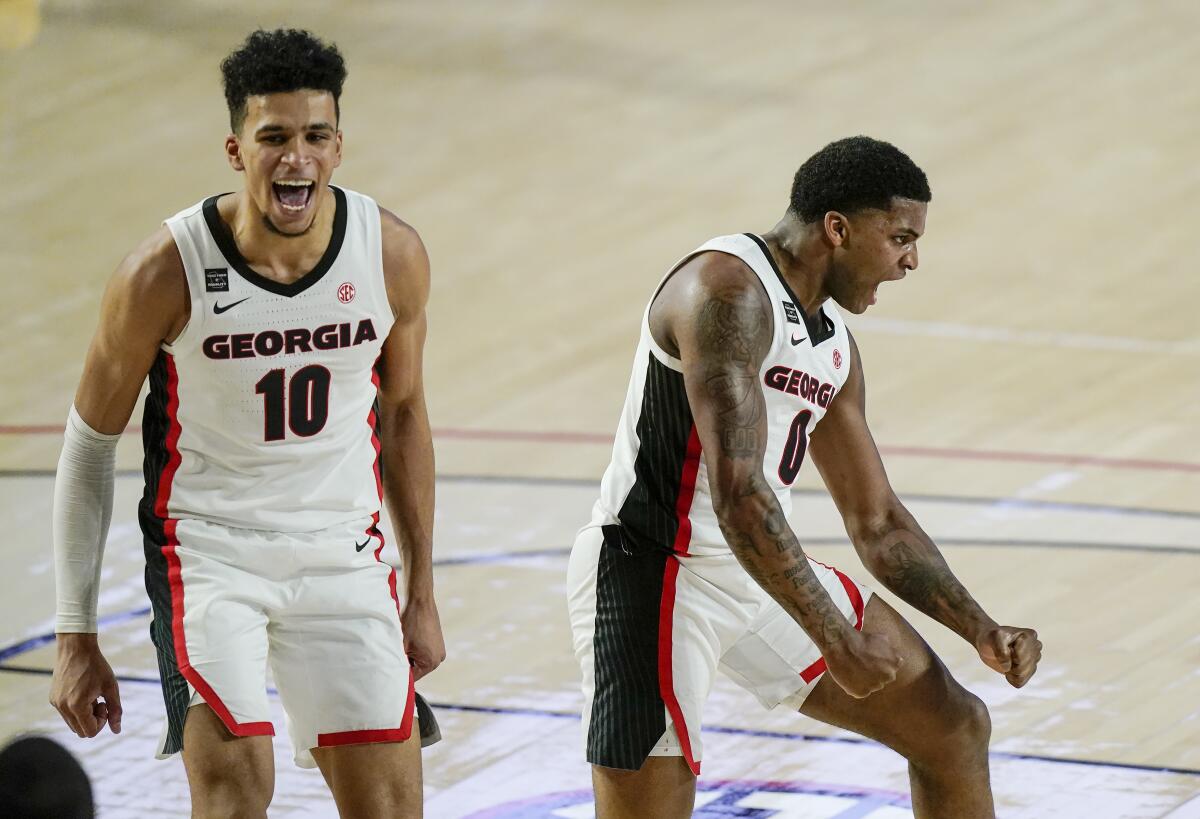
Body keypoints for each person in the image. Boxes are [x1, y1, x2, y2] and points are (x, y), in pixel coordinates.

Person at [567, 136, 1043, 818]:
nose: (912, 260)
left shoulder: (834, 348)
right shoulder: (727, 290)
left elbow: (877, 521)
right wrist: (835, 638)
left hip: (752, 569)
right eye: (901, 237)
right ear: (838, 228)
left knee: (953, 727)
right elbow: (738, 497)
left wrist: (980, 627)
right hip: (653, 571)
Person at [48, 28, 443, 818]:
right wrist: (74, 633)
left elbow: (401, 414)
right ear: (236, 149)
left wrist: (421, 587)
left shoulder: (390, 253)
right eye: (274, 139)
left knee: (391, 805)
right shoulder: (163, 271)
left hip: (341, 549)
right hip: (209, 552)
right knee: (233, 791)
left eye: (314, 137)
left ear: (338, 147)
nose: (295, 157)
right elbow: (90, 443)